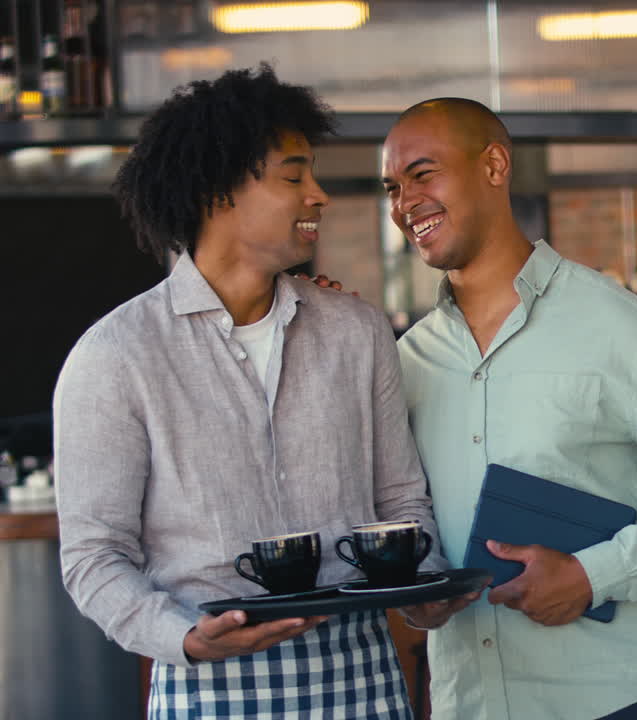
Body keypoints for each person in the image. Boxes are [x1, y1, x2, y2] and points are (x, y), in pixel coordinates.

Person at [53, 64, 451, 718]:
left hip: (361, 674)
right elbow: (95, 557)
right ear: (217, 190)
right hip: (210, 687)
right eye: (293, 177)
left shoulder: (356, 331)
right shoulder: (116, 355)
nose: (318, 195)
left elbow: (402, 501)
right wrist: (183, 637)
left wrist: (427, 591)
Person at [383, 98, 637, 719]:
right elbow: (405, 510)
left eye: (423, 174)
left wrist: (594, 576)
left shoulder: (626, 330)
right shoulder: (408, 361)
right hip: (469, 704)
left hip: (616, 699)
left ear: (495, 165)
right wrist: (418, 588)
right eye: (392, 188)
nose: (405, 203)